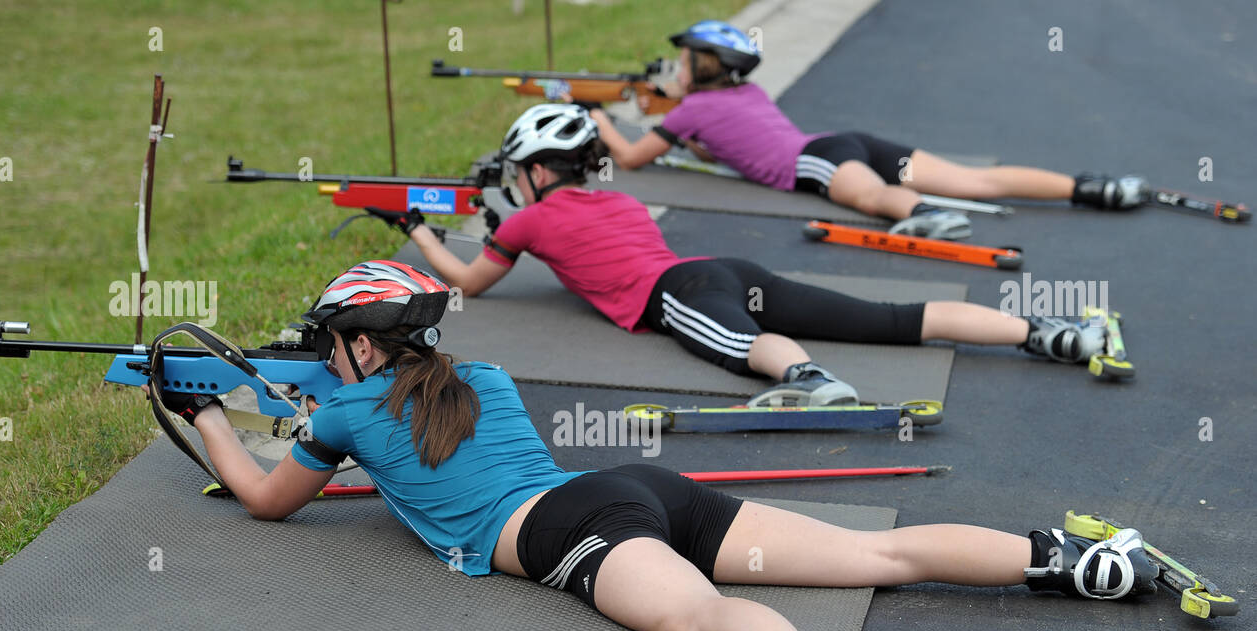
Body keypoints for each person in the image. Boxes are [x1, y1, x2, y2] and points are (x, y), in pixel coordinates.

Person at [162, 259, 1159, 631]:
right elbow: (413, 431)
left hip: (561, 527)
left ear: (361, 344)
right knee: (875, 556)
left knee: (693, 624)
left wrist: (200, 413)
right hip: (629, 490)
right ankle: (1073, 559)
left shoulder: (340, 417)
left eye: (330, 341)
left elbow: (262, 495)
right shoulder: (486, 378)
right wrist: (308, 395)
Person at [389, 102, 1112, 407]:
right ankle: (1050, 333)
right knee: (890, 317)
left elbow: (467, 284)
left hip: (680, 293)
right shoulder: (622, 200)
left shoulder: (527, 224)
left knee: (737, 344)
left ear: (538, 171)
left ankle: (807, 375)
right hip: (729, 271)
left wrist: (415, 229)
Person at [587, 20, 1147, 240]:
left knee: (872, 197)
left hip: (814, 160)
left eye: (685, 61)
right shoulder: (745, 93)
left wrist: (602, 123)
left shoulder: (689, 113)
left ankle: (920, 213)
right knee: (976, 180)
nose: (677, 70)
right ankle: (1090, 187)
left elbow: (634, 158)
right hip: (845, 141)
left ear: (704, 67)